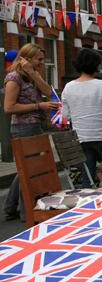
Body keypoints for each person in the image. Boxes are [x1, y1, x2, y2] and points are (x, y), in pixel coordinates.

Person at [3, 44, 58, 221]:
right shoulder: (14, 77)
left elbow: (49, 92)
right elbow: (9, 107)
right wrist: (38, 106)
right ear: (26, 58)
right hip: (22, 127)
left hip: (35, 126)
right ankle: (25, 211)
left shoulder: (32, 76)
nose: (42, 62)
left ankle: (11, 207)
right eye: (39, 59)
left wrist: (33, 73)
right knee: (28, 169)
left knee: (25, 169)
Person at [62, 49, 102, 188]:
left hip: (82, 137)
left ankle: (88, 205)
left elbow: (66, 115)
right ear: (96, 65)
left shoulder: (68, 87)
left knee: (88, 176)